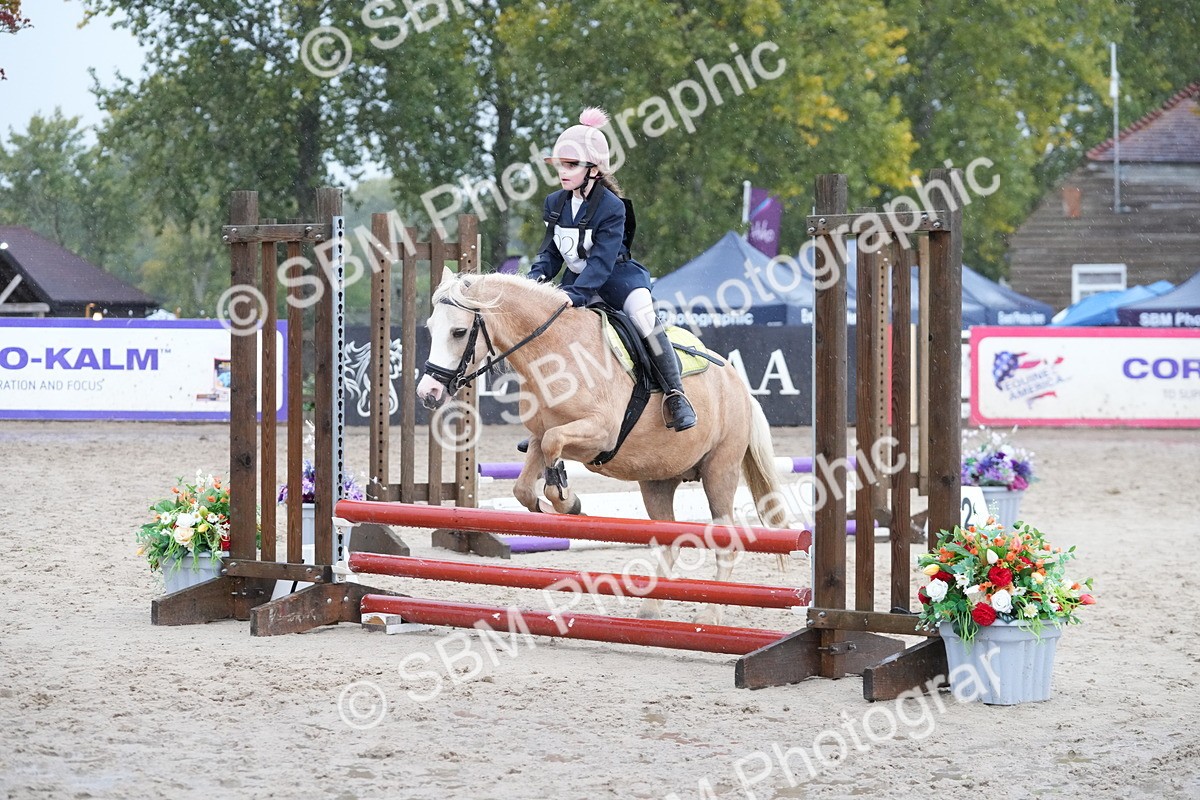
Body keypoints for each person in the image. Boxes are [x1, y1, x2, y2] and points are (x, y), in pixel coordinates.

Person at [526, 107, 696, 433]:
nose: (563, 171)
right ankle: (547, 417)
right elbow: (550, 253)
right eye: (560, 164)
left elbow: (602, 262)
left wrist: (574, 294)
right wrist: (534, 282)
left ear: (594, 170)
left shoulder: (612, 207)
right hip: (576, 282)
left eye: (571, 164)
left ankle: (676, 396)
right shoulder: (554, 203)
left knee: (645, 319)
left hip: (618, 279)